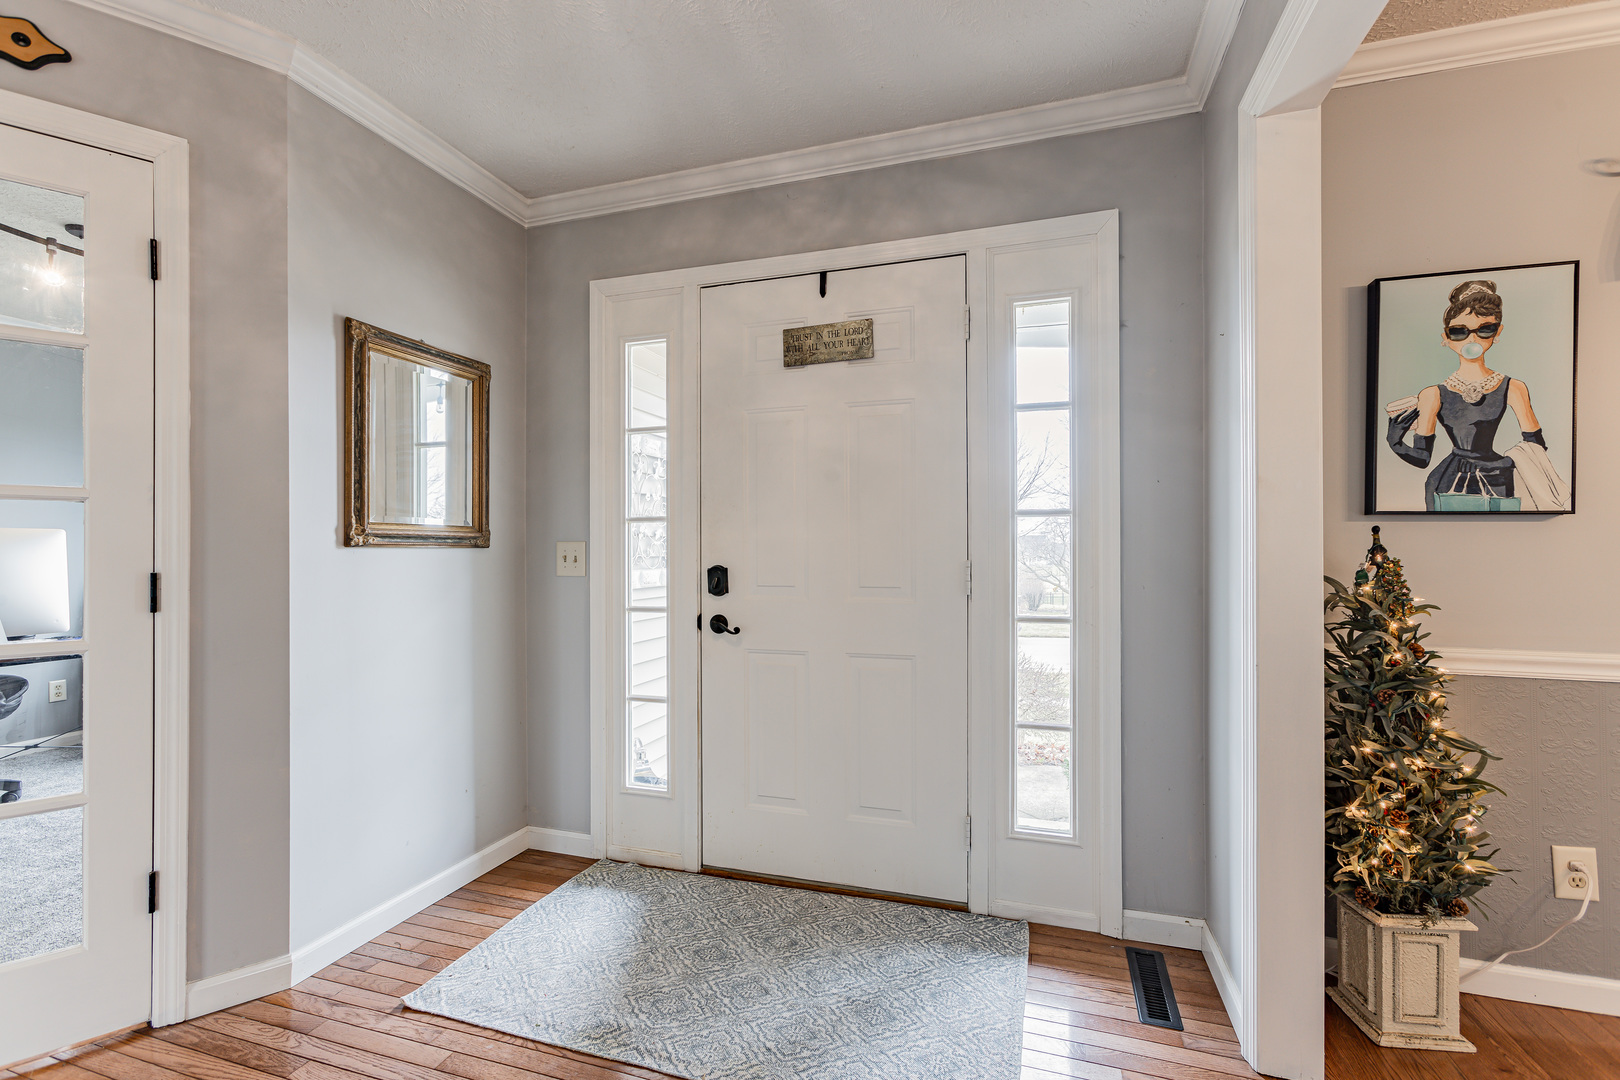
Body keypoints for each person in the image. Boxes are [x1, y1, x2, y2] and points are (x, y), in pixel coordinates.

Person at [1385, 279, 1568, 511]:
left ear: (1497, 332)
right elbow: (1422, 458)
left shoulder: (1513, 387)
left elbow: (1535, 446)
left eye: (1484, 329)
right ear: (1446, 338)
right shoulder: (1433, 394)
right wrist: (1395, 442)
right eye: (1459, 331)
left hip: (1499, 476)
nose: (1472, 339)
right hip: (1449, 480)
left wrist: (1508, 463)